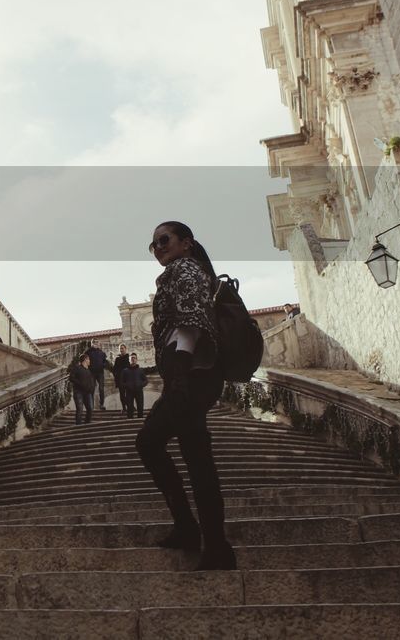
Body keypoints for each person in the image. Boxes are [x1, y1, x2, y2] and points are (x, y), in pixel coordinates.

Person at [135, 220, 237, 572]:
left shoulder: (185, 269)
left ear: (186, 242)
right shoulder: (184, 270)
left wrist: (178, 371)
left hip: (191, 375)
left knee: (152, 443)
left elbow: (190, 322)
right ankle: (204, 537)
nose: (159, 247)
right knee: (196, 457)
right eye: (154, 245)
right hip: (192, 376)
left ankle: (200, 535)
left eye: (164, 240)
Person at [69, 353, 95, 425]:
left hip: (88, 393)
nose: (90, 361)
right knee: (80, 409)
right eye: (89, 359)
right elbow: (71, 378)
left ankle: (87, 423)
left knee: (90, 408)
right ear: (85, 360)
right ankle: (78, 425)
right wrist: (80, 384)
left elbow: (91, 381)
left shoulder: (88, 371)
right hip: (78, 392)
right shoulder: (77, 368)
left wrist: (91, 388)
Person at [122, 353, 147, 419]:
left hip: (139, 391)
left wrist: (141, 385)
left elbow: (146, 381)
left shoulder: (140, 370)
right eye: (131, 358)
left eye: (134, 358)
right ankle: (129, 422)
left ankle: (140, 422)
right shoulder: (125, 371)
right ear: (129, 360)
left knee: (140, 407)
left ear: (136, 360)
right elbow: (121, 382)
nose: (133, 359)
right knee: (129, 408)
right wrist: (127, 385)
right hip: (129, 392)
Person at [85, 343, 108, 409]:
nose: (95, 344)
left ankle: (101, 404)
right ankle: (91, 406)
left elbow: (105, 361)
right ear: (92, 344)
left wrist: (103, 365)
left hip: (100, 373)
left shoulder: (102, 352)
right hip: (92, 373)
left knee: (101, 388)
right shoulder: (88, 352)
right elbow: (84, 359)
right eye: (94, 343)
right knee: (92, 389)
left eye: (97, 343)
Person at [111, 345, 131, 410]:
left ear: (125, 349)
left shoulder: (129, 358)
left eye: (122, 348)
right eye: (120, 349)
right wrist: (116, 376)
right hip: (120, 379)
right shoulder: (117, 359)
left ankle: (131, 407)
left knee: (129, 395)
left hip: (128, 379)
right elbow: (114, 369)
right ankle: (124, 408)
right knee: (122, 395)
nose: (121, 350)